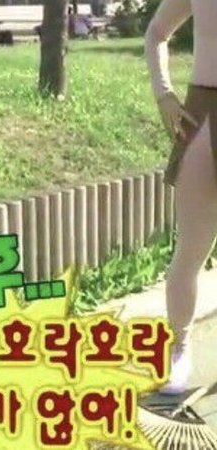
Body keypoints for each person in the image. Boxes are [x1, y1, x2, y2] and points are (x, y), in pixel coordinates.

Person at [144, 0, 216, 394]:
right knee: (190, 250)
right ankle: (179, 347)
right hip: (203, 113)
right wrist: (164, 94)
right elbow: (156, 32)